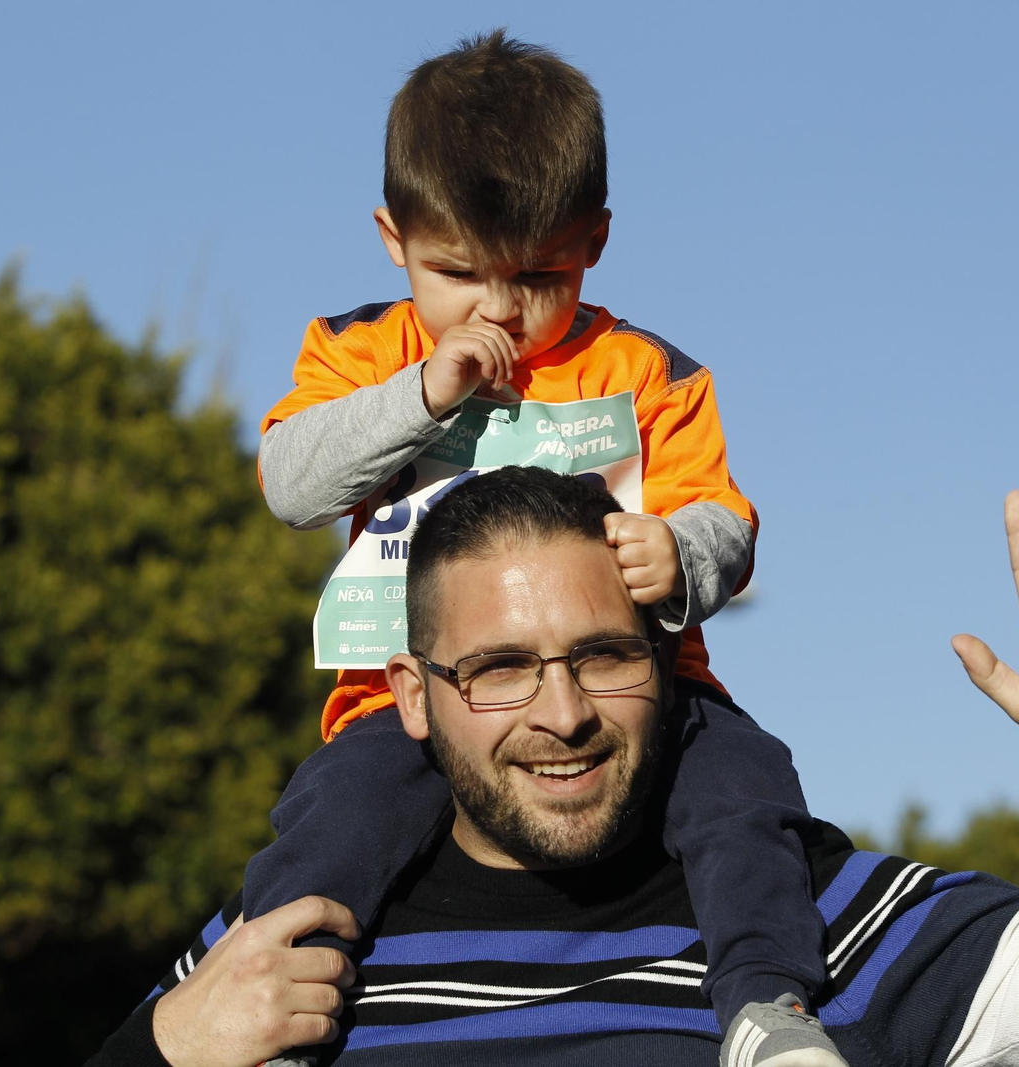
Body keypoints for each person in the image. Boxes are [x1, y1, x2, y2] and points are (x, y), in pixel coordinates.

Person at [87, 465, 1019, 1067]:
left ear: (670, 656)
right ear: (409, 695)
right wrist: (158, 1050)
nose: (561, 712)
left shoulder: (805, 924)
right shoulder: (289, 943)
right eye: (497, 667)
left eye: (603, 656)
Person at [245, 29, 839, 1061]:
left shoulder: (647, 367)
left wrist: (679, 554)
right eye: (458, 273)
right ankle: (276, 1015)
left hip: (641, 692)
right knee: (334, 818)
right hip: (404, 697)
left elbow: (727, 521)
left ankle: (767, 1010)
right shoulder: (359, 349)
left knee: (746, 790)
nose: (501, 309)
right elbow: (292, 483)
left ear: (596, 239)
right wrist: (422, 393)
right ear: (394, 237)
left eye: (539, 274)